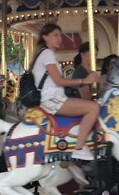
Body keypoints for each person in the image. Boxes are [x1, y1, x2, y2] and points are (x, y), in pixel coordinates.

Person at [31, 23, 99, 161]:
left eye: (60, 35)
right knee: (93, 107)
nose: (59, 38)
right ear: (45, 37)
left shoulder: (46, 55)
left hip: (55, 97)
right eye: (55, 35)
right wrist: (84, 81)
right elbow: (59, 81)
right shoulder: (47, 54)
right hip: (52, 100)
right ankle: (79, 148)